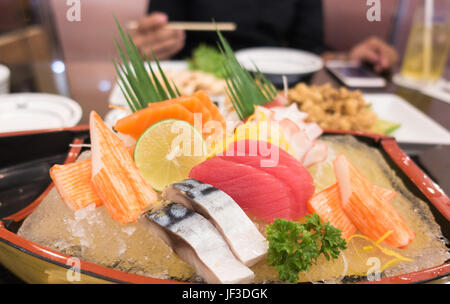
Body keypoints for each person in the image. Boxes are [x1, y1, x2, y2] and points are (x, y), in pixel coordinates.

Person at [132, 0, 398, 73]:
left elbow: (310, 51)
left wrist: (349, 59)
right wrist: (149, 48)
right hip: (197, 82)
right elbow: (156, 37)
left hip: (273, 88)